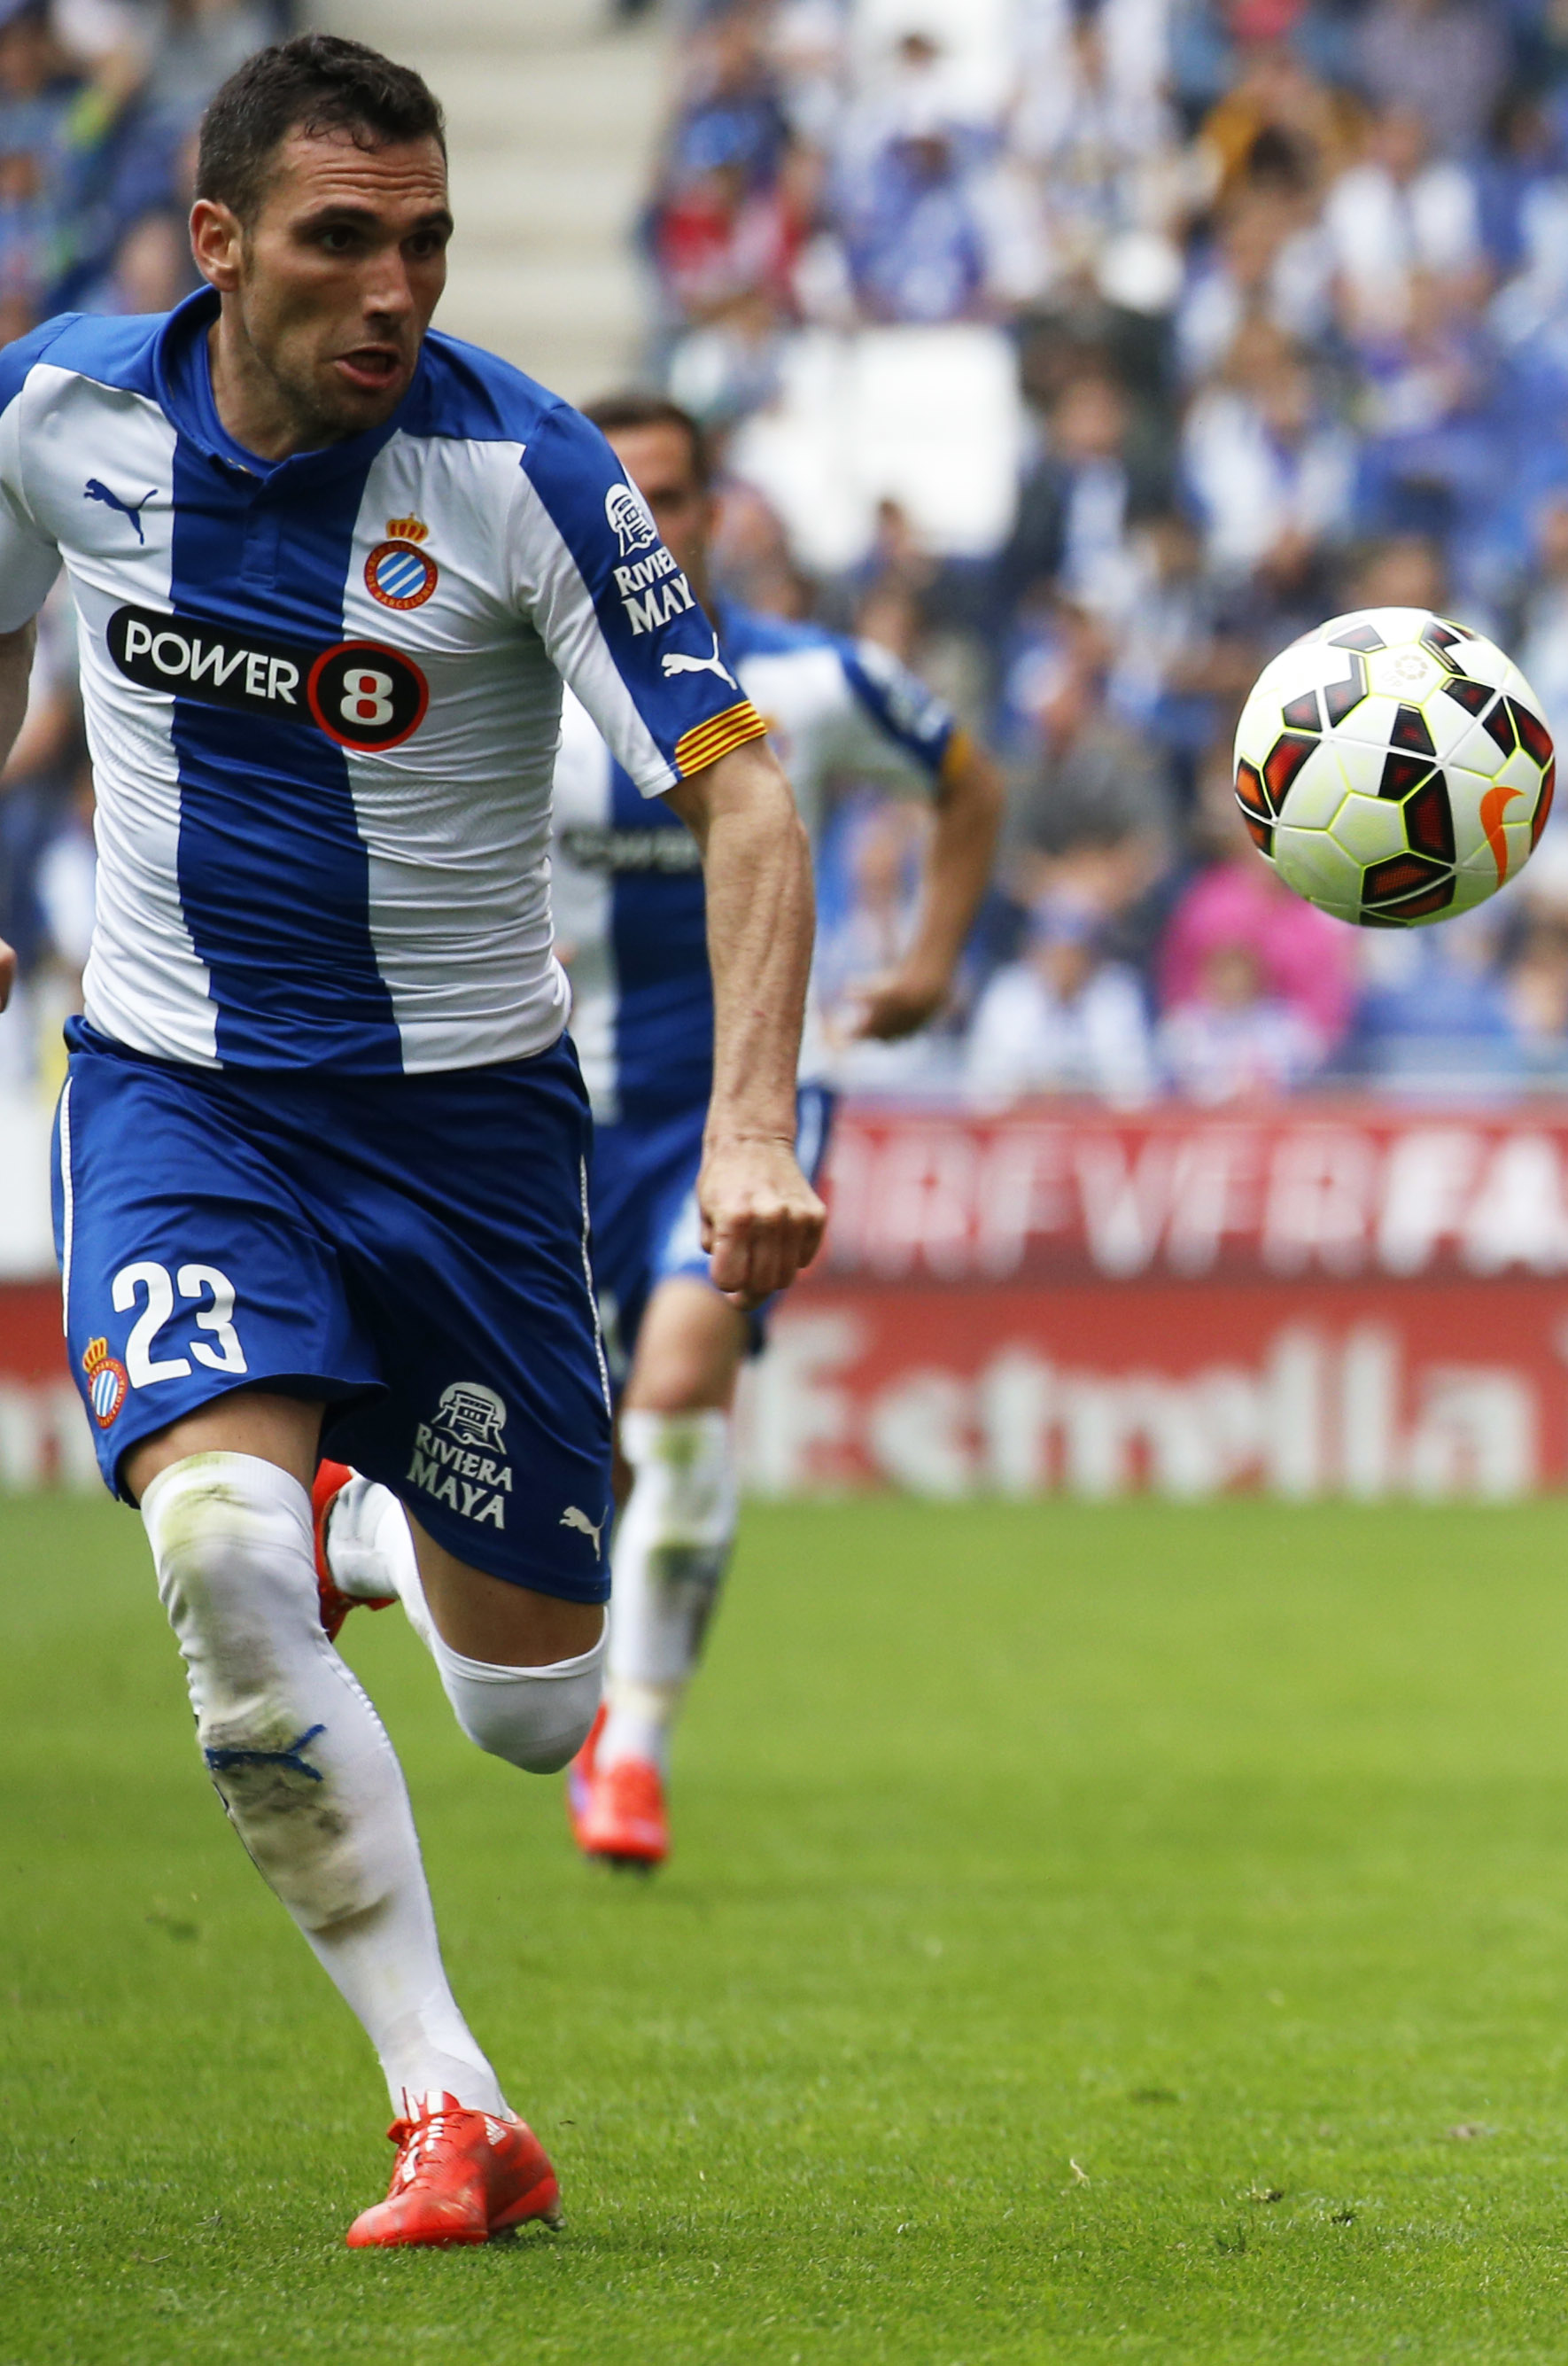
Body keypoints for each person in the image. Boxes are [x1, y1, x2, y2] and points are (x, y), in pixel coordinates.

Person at [0, 38, 819, 2244]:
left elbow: (745, 793)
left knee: (533, 1712)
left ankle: (365, 1522)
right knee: (216, 1567)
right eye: (343, 238)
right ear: (217, 243)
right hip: (175, 1090)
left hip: (467, 1140)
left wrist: (754, 1120)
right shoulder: (58, 415)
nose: (393, 287)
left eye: (427, 240)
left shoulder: (527, 472)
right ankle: (443, 2098)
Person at [551, 393, 1005, 1872]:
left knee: (679, 1391)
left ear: (711, 512)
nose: (650, 526)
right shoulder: (504, 676)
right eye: (621, 496)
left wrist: (932, 962)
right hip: (537, 1107)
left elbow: (965, 781)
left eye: (672, 497)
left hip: (733, 1106)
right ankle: (582, 1689)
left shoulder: (806, 684)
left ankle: (636, 1745)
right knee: (578, 1454)